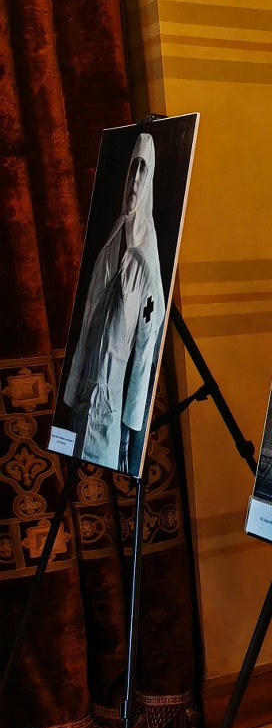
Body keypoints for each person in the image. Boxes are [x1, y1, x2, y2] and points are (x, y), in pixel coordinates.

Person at [61, 132, 165, 474]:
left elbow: (146, 346)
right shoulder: (109, 246)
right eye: (133, 168)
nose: (135, 180)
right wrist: (72, 390)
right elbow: (86, 324)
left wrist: (131, 424)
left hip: (111, 403)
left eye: (143, 171)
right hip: (82, 394)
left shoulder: (146, 261)